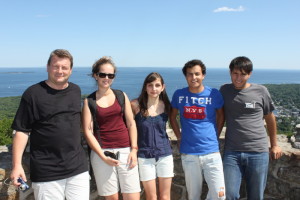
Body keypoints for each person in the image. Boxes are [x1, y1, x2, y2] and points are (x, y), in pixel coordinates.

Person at [10, 49, 89, 200]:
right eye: (55, 66)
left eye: (64, 67)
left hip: (78, 168)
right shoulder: (33, 94)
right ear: (48, 67)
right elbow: (21, 131)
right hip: (47, 171)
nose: (60, 71)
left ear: (71, 70)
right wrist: (16, 165)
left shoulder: (75, 90)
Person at [219, 56, 282, 200]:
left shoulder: (261, 91)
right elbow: (219, 117)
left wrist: (275, 145)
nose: (238, 78)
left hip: (258, 152)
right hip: (232, 152)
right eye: (235, 73)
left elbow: (270, 118)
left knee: (256, 196)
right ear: (230, 72)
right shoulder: (224, 90)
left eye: (243, 74)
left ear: (250, 74)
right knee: (230, 195)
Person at [82, 56, 140, 200]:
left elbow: (131, 123)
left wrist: (134, 149)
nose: (106, 78)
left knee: (132, 196)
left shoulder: (121, 96)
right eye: (102, 74)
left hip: (126, 152)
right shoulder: (89, 101)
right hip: (102, 153)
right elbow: (87, 132)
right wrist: (103, 157)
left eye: (110, 75)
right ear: (96, 75)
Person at [169, 59, 225, 200]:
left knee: (219, 195)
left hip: (211, 152)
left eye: (197, 74)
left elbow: (221, 116)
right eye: (190, 74)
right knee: (193, 196)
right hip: (189, 154)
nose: (193, 78)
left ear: (203, 75)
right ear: (186, 76)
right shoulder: (179, 95)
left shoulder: (213, 94)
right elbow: (172, 117)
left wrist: (215, 135)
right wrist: (179, 137)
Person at [131, 72, 174, 200]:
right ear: (145, 87)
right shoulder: (135, 105)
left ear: (163, 87)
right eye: (150, 85)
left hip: (165, 154)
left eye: (157, 85)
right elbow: (128, 126)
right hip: (144, 155)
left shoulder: (167, 106)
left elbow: (175, 124)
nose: (154, 89)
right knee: (151, 197)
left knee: (165, 197)